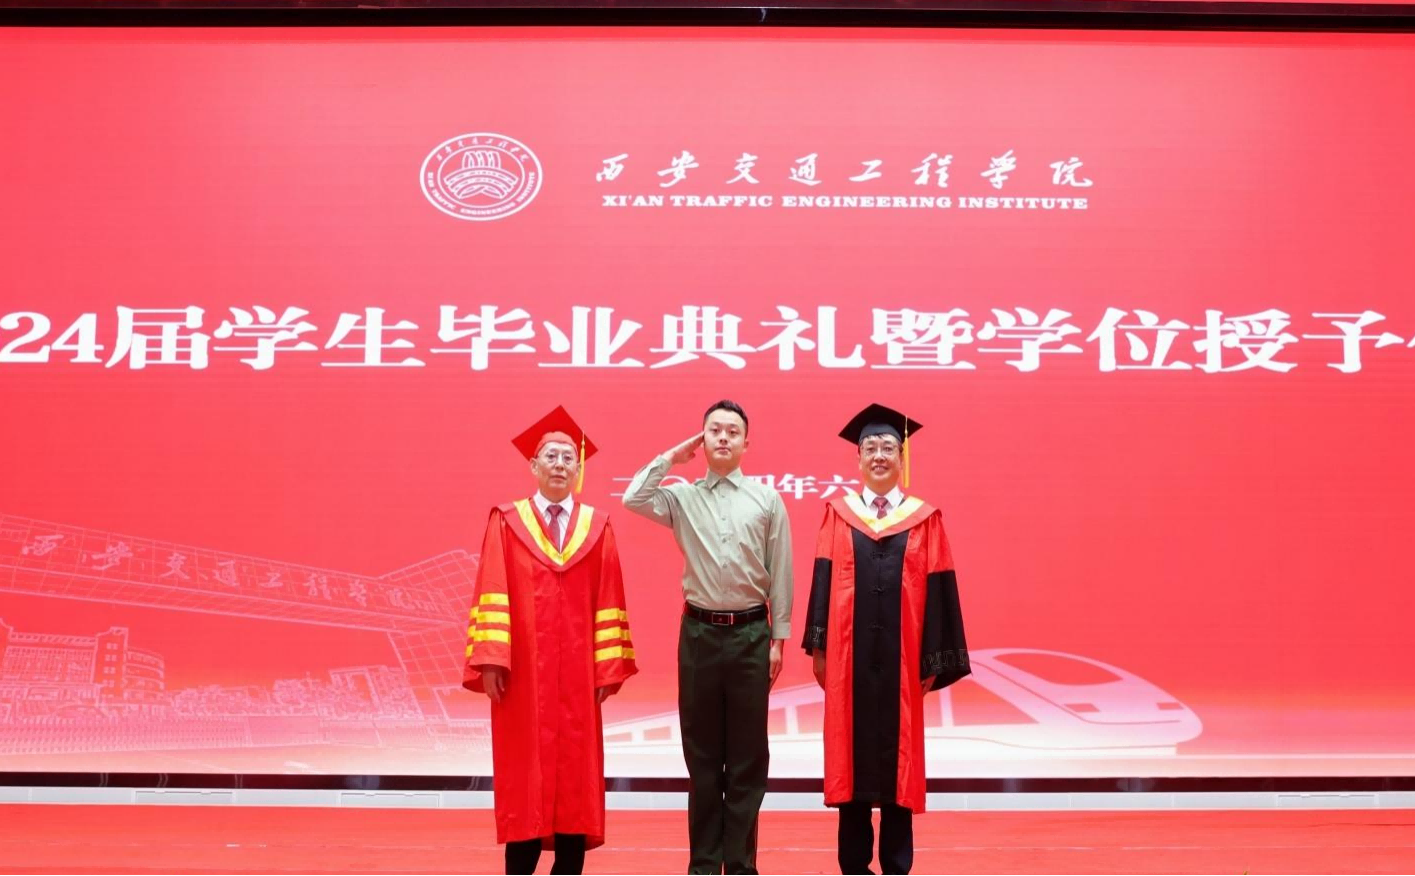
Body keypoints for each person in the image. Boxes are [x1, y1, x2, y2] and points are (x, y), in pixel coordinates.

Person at [463, 406, 638, 876]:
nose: (560, 464)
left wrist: (607, 668)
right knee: (525, 779)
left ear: (577, 470)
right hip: (523, 677)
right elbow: (492, 588)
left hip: (578, 678)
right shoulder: (506, 521)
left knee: (574, 784)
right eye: (551, 457)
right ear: (533, 466)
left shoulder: (597, 527)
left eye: (568, 458)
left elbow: (609, 597)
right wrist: (492, 660)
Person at [622, 399, 793, 876]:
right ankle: (702, 865)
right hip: (698, 634)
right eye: (714, 430)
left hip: (751, 635)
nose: (722, 438)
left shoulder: (766, 500)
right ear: (702, 439)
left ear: (745, 443)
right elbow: (633, 498)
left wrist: (778, 639)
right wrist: (671, 458)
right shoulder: (683, 498)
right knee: (701, 757)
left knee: (747, 759)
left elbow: (781, 572)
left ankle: (739, 865)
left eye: (732, 432)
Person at [801, 403, 971, 876]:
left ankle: (897, 866)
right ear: (858, 458)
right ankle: (854, 866)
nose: (879, 455)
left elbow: (939, 589)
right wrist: (820, 648)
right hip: (848, 662)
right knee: (851, 761)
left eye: (888, 447)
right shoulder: (838, 515)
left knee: (900, 764)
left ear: (902, 457)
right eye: (870, 447)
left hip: (903, 664)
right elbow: (822, 582)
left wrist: (933, 660)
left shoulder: (925, 519)